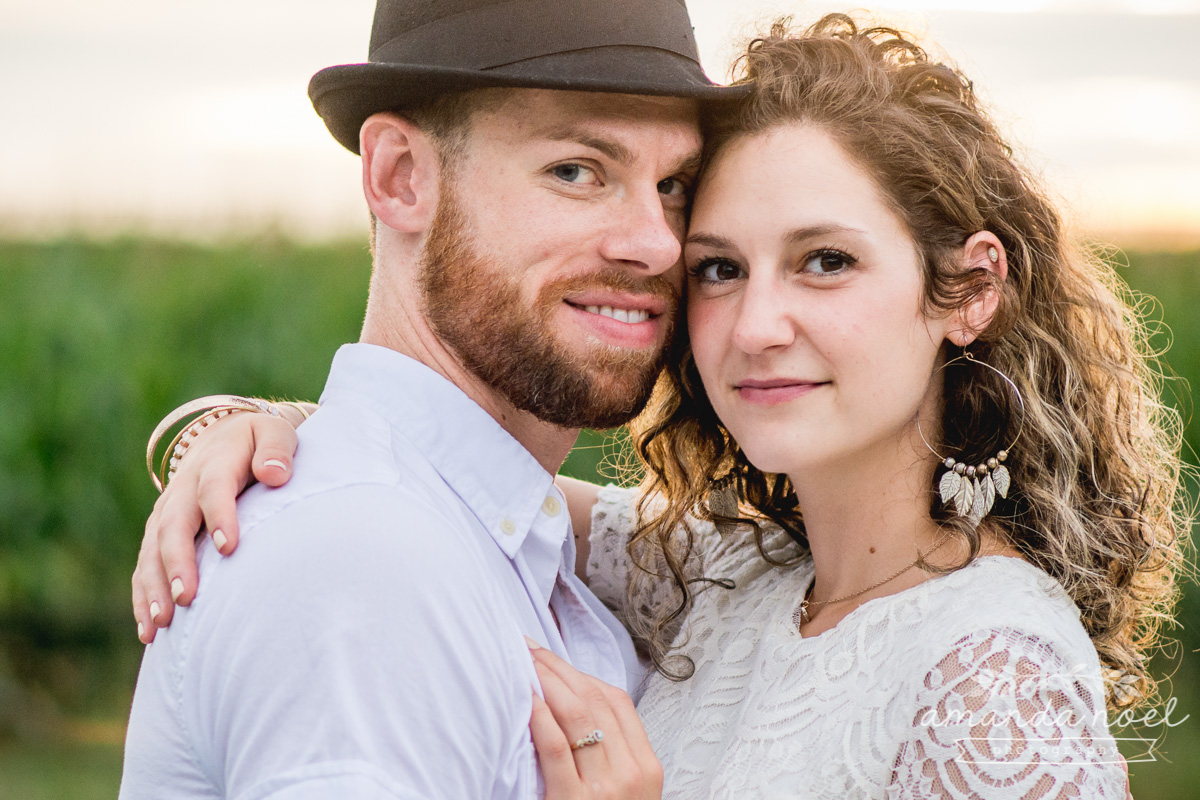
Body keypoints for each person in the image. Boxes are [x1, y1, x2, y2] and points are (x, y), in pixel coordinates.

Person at [136, 14, 1183, 799]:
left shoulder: (992, 683)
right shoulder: (724, 579)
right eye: (721, 265)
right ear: (398, 177)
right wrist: (260, 428)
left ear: (968, 291)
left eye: (824, 260)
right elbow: (453, 479)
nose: (753, 318)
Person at [120, 0, 748, 797]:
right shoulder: (362, 566)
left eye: (674, 184)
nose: (657, 241)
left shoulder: (508, 535)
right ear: (400, 177)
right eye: (577, 171)